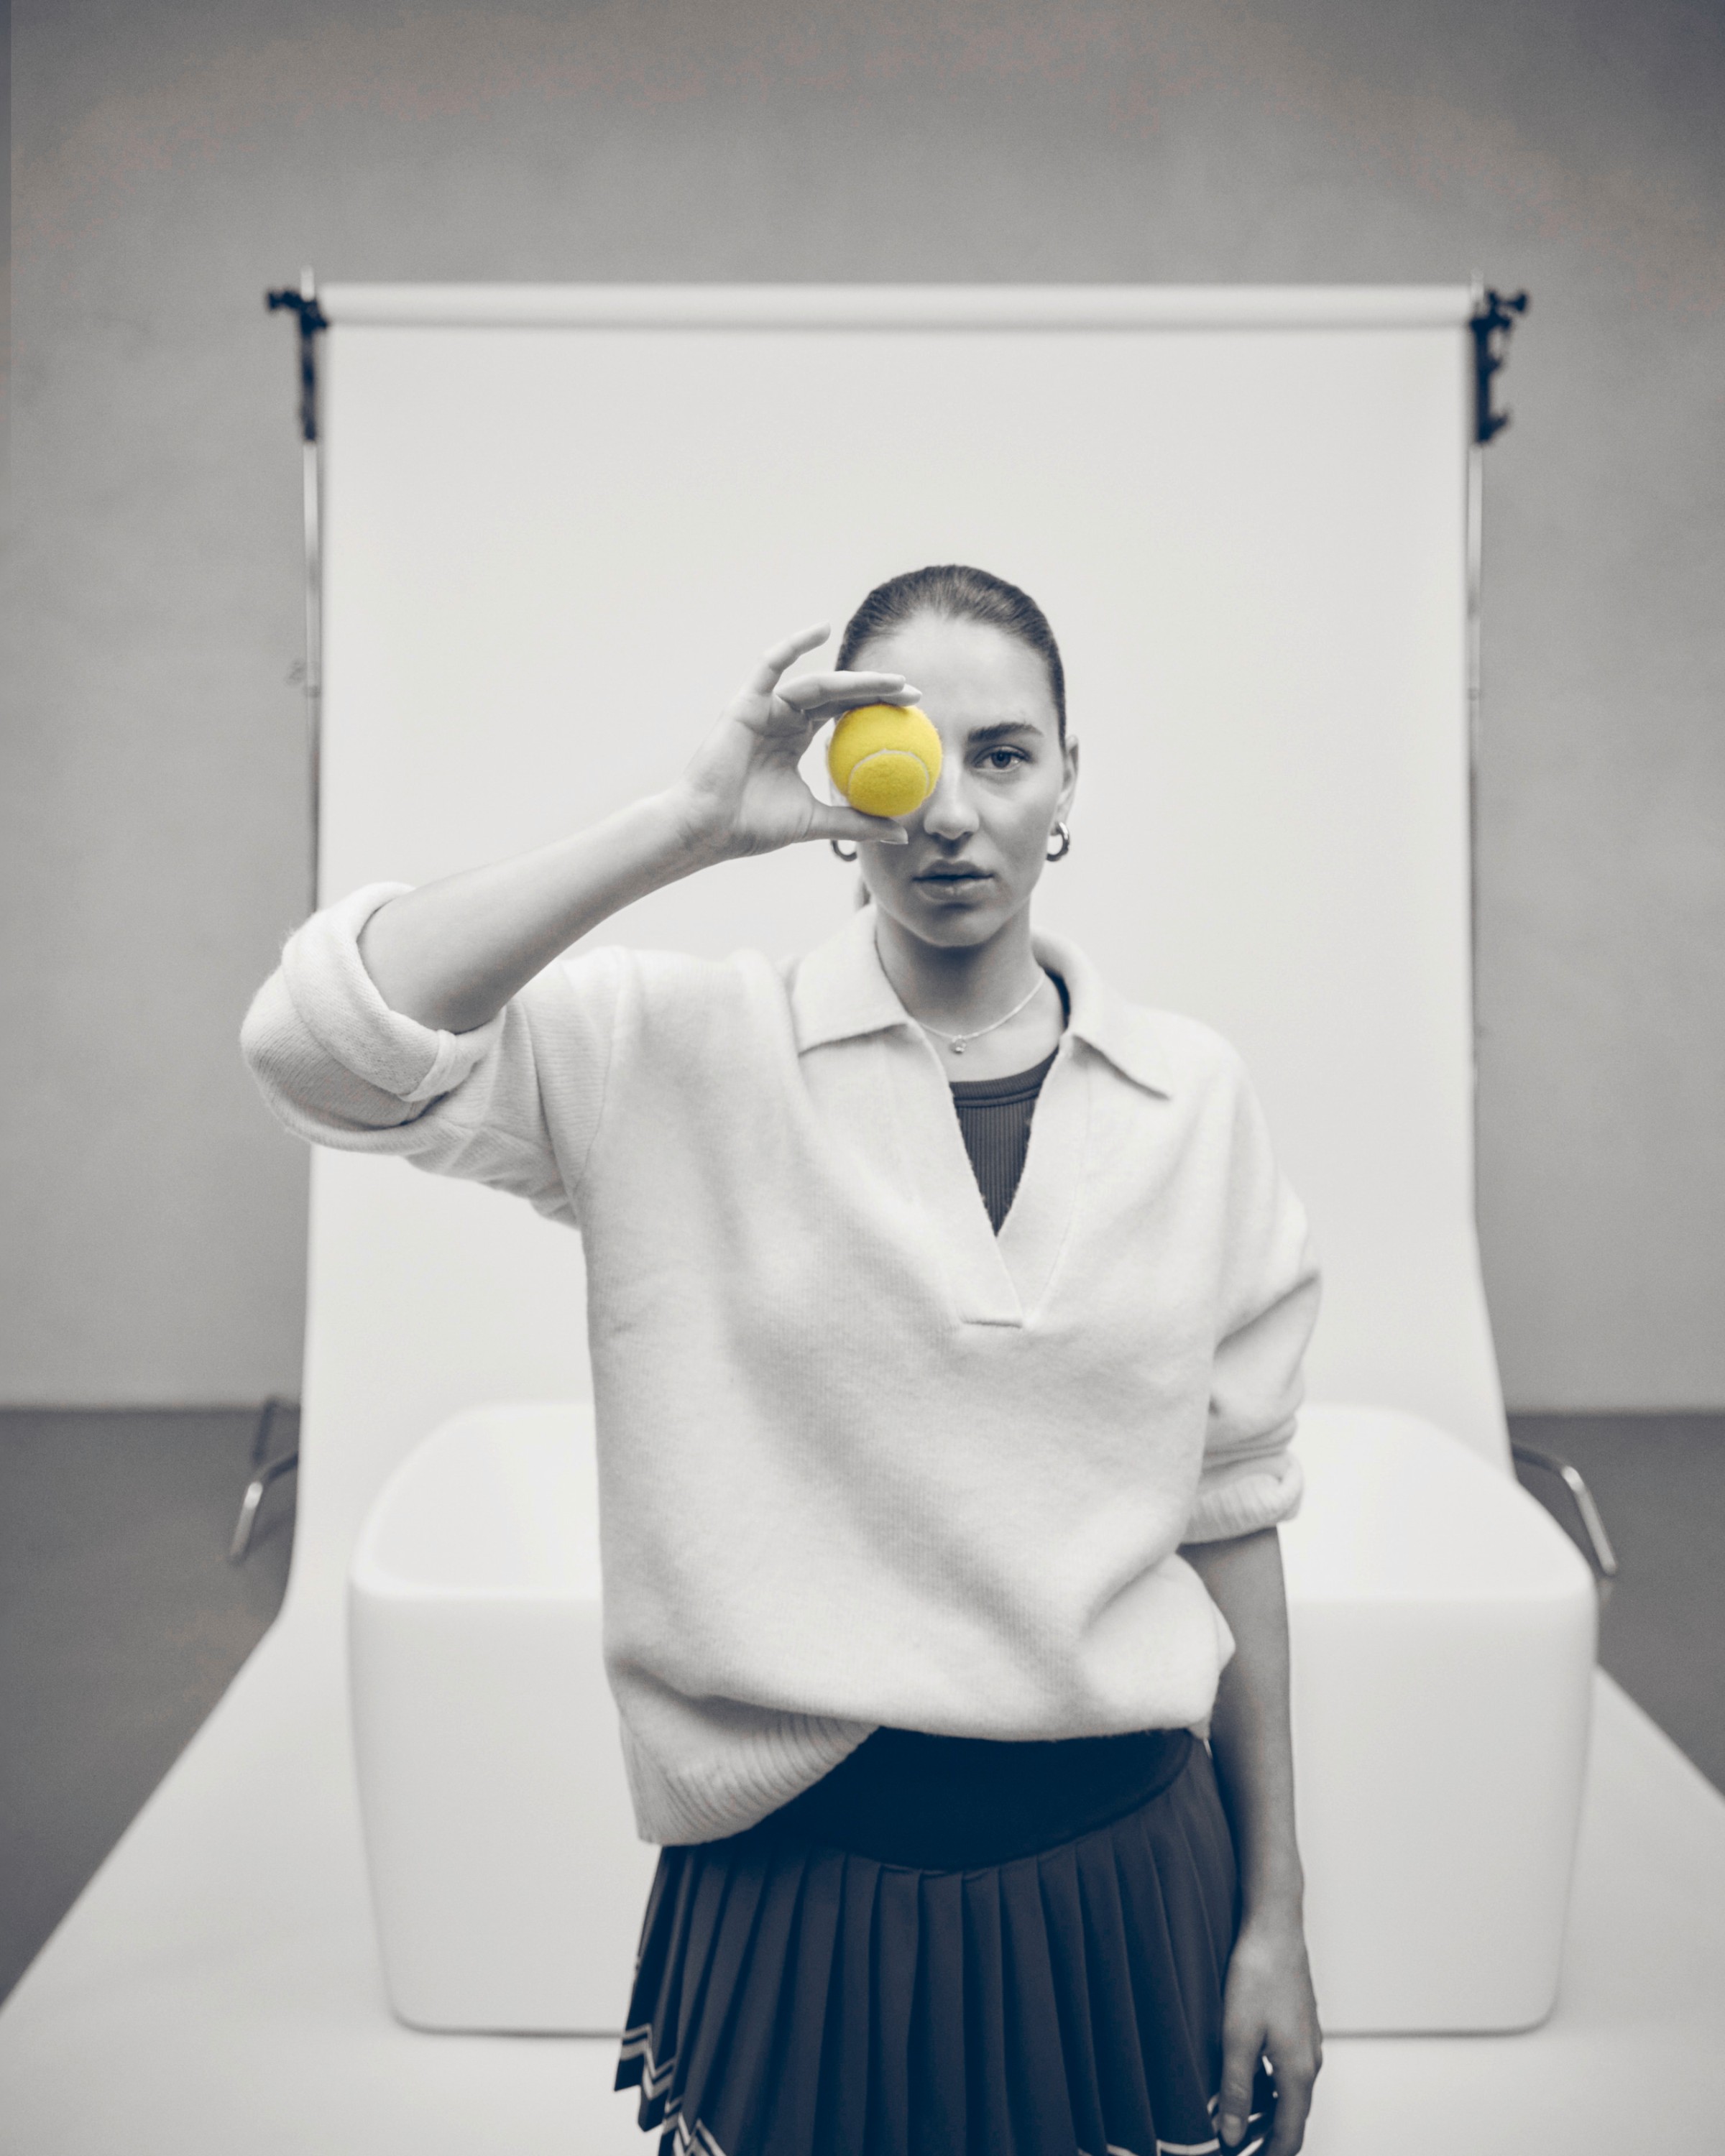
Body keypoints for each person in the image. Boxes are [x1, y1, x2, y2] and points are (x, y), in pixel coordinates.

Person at [243, 563, 1323, 2156]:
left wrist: (1276, 1917)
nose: (952, 811)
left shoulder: (1193, 1097)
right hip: (801, 1887)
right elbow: (323, 1046)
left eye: (1007, 755)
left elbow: (1233, 1519)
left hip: (1125, 1867)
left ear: (1070, 782)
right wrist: (684, 824)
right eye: (905, 754)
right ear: (836, 780)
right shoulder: (673, 1054)